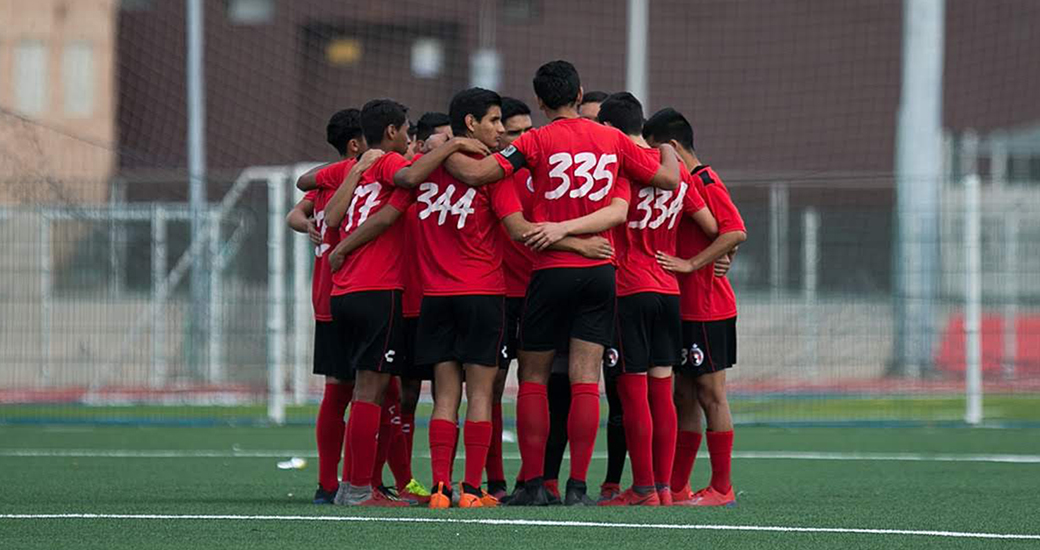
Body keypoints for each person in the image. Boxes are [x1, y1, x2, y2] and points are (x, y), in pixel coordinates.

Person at [442, 60, 682, 506]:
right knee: (586, 380)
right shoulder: (611, 138)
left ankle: (534, 483)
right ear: (580, 91)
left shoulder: (533, 140)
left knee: (532, 376)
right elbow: (667, 180)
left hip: (550, 270)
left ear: (538, 100)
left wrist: (446, 148)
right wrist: (666, 147)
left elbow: (477, 175)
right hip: (601, 270)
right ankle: (577, 488)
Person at [325, 98, 488, 507]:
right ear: (395, 132)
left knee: (367, 391)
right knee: (371, 393)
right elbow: (405, 185)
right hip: (378, 289)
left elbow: (318, 197)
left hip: (344, 292)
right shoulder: (388, 164)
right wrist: (450, 147)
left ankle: (351, 485)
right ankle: (361, 488)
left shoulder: (354, 167)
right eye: (410, 130)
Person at [596, 94, 718, 506]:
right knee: (662, 391)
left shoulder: (620, 164)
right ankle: (665, 488)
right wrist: (706, 260)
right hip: (668, 289)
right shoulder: (677, 171)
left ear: (612, 129)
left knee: (633, 394)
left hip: (628, 288)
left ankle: (643, 487)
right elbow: (711, 224)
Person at [644, 107, 747, 507]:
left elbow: (735, 228)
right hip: (681, 306)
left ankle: (722, 486)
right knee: (683, 397)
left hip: (708, 307)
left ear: (670, 146)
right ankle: (679, 485)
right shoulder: (681, 183)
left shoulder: (704, 179)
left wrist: (691, 264)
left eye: (655, 150)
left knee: (711, 394)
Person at [285, 108, 365, 505]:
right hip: (355, 295)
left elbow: (296, 213)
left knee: (342, 390)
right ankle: (344, 482)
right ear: (356, 144)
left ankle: (333, 483)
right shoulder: (346, 178)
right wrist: (307, 223)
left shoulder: (330, 181)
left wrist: (305, 223)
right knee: (361, 391)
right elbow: (296, 214)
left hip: (334, 300)